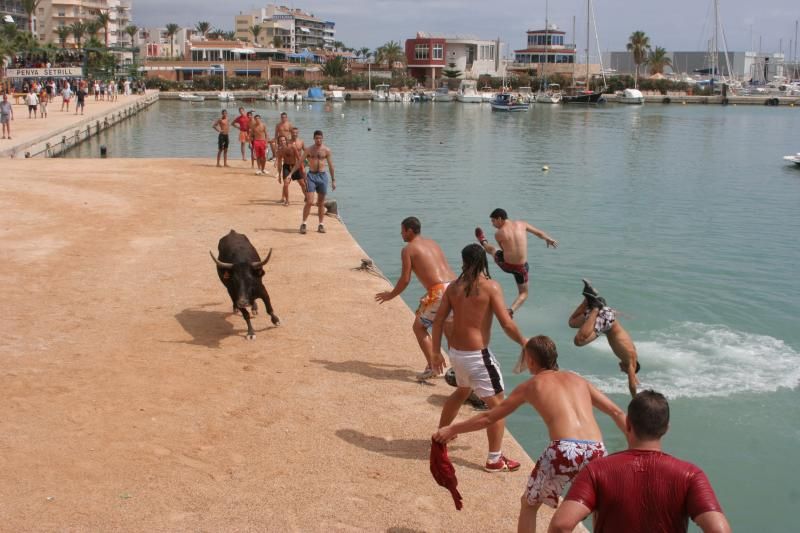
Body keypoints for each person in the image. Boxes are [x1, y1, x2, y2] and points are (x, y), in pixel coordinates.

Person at [434, 335, 627, 533]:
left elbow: (489, 417)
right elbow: (617, 412)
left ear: (531, 361)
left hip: (564, 449)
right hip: (596, 449)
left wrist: (452, 429)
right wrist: (634, 447)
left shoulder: (532, 385)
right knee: (597, 506)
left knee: (529, 504)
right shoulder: (578, 379)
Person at [549, 390, 731, 533]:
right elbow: (719, 530)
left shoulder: (596, 470)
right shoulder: (690, 475)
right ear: (666, 428)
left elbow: (561, 526)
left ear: (628, 424)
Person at [429, 243, 527, 474]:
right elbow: (506, 323)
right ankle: (494, 459)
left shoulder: (453, 288)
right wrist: (524, 342)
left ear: (463, 262)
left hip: (456, 353)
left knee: (462, 391)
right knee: (498, 407)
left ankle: (441, 435)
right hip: (477, 356)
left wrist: (435, 352)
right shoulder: (491, 287)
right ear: (483, 261)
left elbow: (439, 320)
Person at [375, 217, 457, 379]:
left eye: (402, 231)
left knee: (419, 327)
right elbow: (440, 273)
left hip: (439, 291)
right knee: (450, 331)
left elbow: (405, 280)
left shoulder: (408, 249)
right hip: (455, 286)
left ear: (410, 230)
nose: (401, 234)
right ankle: (460, 370)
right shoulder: (432, 243)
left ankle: (432, 366)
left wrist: (390, 295)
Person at [475, 208, 558, 316]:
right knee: (524, 293)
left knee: (493, 250)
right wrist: (548, 238)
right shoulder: (522, 224)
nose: (492, 224)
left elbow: (504, 250)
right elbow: (538, 233)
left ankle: (483, 242)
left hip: (506, 266)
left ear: (500, 219)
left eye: (493, 221)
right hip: (521, 269)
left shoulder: (499, 234)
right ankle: (511, 310)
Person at [569, 279, 640, 397]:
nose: (622, 370)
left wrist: (621, 314)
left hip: (607, 313)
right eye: (625, 372)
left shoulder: (632, 353)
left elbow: (634, 374)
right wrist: (635, 399)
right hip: (607, 322)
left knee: (572, 323)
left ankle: (589, 298)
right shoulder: (630, 362)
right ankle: (596, 307)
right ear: (632, 369)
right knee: (579, 341)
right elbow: (632, 384)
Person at [300, 130, 335, 234]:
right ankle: (304, 223)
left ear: (322, 138)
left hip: (322, 176)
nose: (318, 140)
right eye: (316, 138)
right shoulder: (309, 149)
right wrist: (290, 174)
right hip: (311, 176)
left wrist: (333, 180)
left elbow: (331, 166)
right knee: (310, 201)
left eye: (320, 138)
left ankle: (321, 225)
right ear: (314, 138)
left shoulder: (327, 150)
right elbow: (300, 161)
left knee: (320, 203)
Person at [276, 134, 306, 206]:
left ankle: (307, 197)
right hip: (286, 166)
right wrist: (279, 175)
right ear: (278, 142)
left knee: (302, 184)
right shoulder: (279, 151)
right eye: (280, 141)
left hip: (295, 166)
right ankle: (287, 200)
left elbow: (299, 158)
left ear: (286, 141)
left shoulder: (292, 147)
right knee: (286, 184)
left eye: (283, 140)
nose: (282, 142)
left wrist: (302, 169)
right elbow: (279, 163)